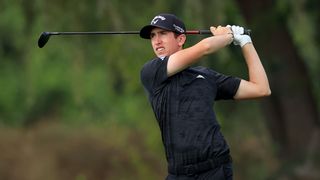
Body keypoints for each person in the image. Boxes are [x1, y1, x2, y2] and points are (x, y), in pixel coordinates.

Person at [139, 13, 271, 180]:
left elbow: (261, 88)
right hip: (178, 174)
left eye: (163, 33)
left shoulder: (205, 76)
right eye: (152, 36)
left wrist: (245, 42)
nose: (156, 41)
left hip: (216, 169)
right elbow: (205, 47)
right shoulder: (151, 72)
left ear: (180, 39)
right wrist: (228, 35)